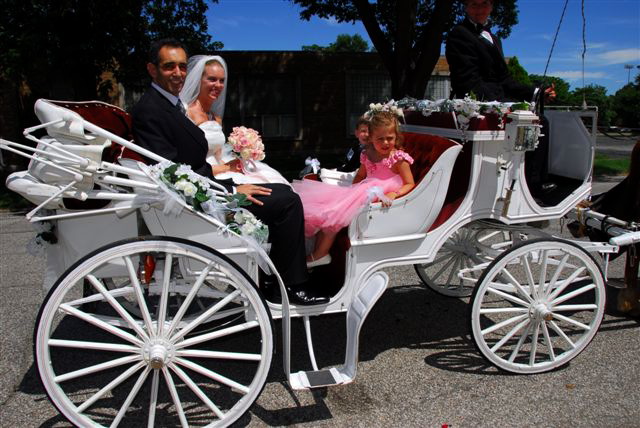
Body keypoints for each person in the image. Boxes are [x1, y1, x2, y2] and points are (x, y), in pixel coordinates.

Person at [131, 39, 327, 305]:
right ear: (153, 70)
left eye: (181, 66)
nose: (177, 73)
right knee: (288, 202)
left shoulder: (167, 104)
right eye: (169, 67)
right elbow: (171, 173)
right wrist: (232, 190)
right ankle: (291, 286)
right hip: (201, 199)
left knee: (280, 191)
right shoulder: (151, 110)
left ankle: (271, 277)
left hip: (207, 185)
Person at [446, 0, 556, 195]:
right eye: (474, 4)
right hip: (475, 101)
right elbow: (467, 80)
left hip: (494, 97)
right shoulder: (459, 34)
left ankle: (523, 180)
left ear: (491, 6)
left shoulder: (493, 38)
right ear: (466, 7)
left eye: (484, 4)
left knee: (538, 120)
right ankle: (533, 185)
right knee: (540, 123)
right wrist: (503, 102)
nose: (479, 9)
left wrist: (537, 92)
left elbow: (504, 79)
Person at [292, 111, 415, 267]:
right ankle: (314, 251)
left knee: (334, 216)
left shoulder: (397, 158)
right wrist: (349, 193)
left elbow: (410, 183)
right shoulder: (367, 154)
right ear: (370, 138)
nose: (385, 143)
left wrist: (394, 193)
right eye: (380, 139)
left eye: (389, 138)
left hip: (381, 193)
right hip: (363, 190)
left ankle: (321, 254)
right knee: (329, 210)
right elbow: (360, 176)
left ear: (396, 137)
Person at [179, 55, 290, 186]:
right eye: (212, 79)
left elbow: (218, 155)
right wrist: (226, 168)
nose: (218, 85)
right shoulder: (186, 113)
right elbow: (187, 161)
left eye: (222, 81)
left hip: (221, 167)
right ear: (198, 80)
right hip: (204, 175)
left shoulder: (216, 118)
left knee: (274, 181)